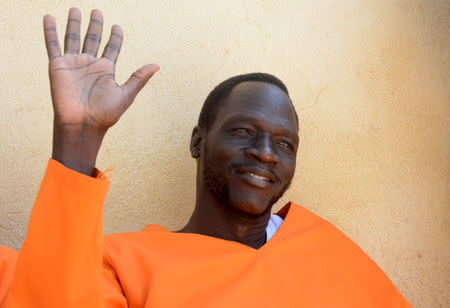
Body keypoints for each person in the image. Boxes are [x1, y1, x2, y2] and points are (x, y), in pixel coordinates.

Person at [0, 8, 411, 308]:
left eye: (285, 144)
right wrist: (78, 137)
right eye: (244, 132)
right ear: (198, 142)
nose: (265, 154)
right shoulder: (125, 263)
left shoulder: (326, 249)